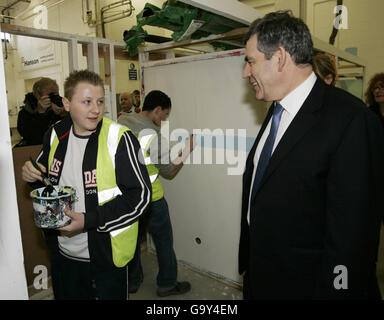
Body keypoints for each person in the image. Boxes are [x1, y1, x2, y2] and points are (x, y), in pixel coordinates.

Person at [240, 11, 384, 300]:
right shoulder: (278, 109)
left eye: (250, 61)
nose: (246, 73)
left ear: (279, 57)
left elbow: (354, 236)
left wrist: (337, 291)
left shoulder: (352, 120)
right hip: (264, 276)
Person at [21, 70, 151, 300]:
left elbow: (140, 197)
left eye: (100, 101)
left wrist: (89, 219)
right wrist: (32, 175)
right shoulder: (55, 134)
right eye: (87, 102)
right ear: (67, 103)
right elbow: (44, 180)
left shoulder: (119, 138)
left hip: (107, 255)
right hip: (63, 253)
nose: (96, 109)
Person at [117, 90, 194, 297]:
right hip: (152, 200)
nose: (163, 120)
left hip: (127, 198)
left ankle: (132, 281)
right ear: (157, 110)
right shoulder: (153, 135)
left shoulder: (120, 122)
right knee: (163, 241)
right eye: (164, 115)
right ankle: (167, 284)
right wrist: (187, 149)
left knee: (131, 242)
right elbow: (169, 170)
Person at [16, 77, 65, 146]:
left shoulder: (58, 107)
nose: (53, 97)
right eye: (50, 95)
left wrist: (63, 114)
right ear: (37, 95)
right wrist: (41, 113)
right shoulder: (24, 113)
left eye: (56, 94)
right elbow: (31, 137)